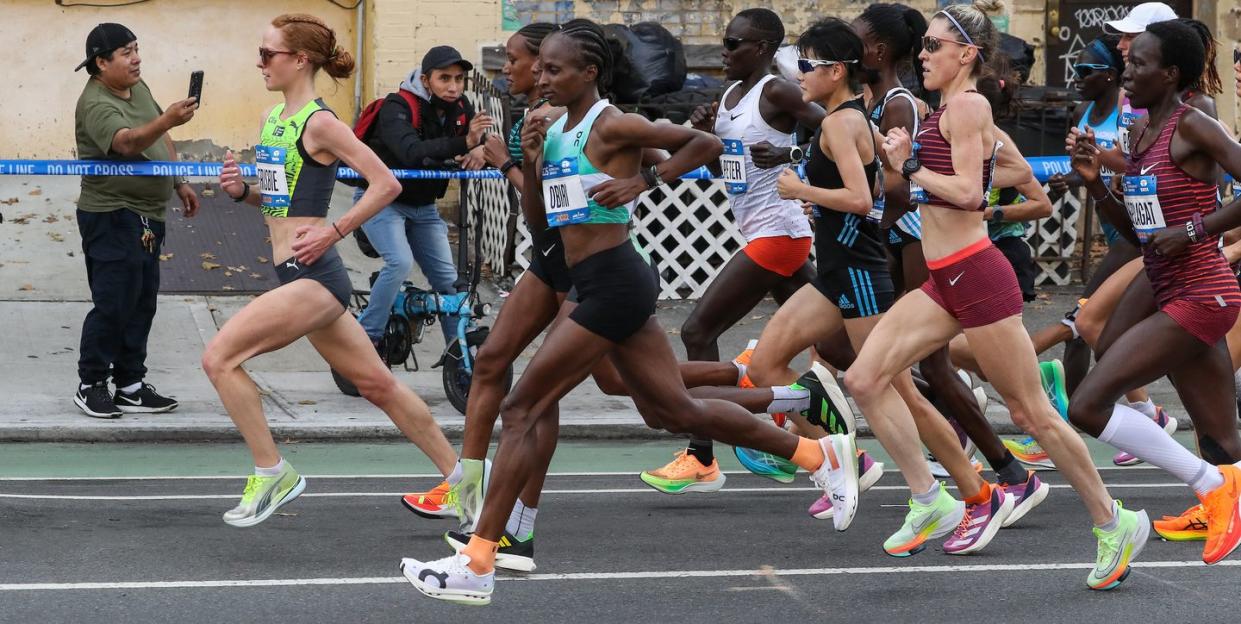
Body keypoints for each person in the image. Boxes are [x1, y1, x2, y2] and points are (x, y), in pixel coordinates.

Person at [400, 19, 859, 606]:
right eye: (539, 68)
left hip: (614, 286)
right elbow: (544, 225)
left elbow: (706, 145)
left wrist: (644, 179)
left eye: (554, 69)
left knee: (521, 408)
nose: (542, 77)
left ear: (589, 74)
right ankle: (817, 452)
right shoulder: (555, 127)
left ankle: (480, 557)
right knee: (671, 409)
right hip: (596, 282)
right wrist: (534, 162)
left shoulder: (612, 122)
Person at [853, 1, 1146, 589]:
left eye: (935, 46)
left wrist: (910, 169)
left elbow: (965, 191)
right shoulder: (952, 113)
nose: (923, 55)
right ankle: (929, 497)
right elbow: (1002, 171)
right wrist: (905, 167)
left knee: (1030, 412)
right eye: (923, 46)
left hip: (977, 275)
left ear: (967, 54)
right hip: (944, 280)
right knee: (864, 378)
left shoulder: (967, 103)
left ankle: (1115, 521)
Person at [206, 13, 458, 528]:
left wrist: (334, 231)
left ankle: (272, 471)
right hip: (293, 273)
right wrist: (243, 193)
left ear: (300, 60)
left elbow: (384, 182)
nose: (260, 63)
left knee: (219, 358)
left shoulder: (322, 123)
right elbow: (283, 205)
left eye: (268, 54)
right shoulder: (275, 120)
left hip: (316, 277)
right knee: (376, 384)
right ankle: (465, 480)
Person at [1067, 19, 1241, 566]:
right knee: (1225, 437)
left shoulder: (1194, 126)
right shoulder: (1140, 133)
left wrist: (1195, 230)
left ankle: (1212, 490)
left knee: (1087, 405)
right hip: (1168, 286)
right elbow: (1139, 232)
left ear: (1169, 74)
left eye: (1139, 63)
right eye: (1128, 61)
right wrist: (1095, 181)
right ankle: (1222, 491)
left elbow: (1185, 227)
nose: (1127, 70)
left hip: (1202, 293)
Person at [644, 8, 825, 492]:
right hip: (760, 232)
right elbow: (700, 154)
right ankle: (943, 405)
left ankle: (701, 454)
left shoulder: (776, 91)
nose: (724, 51)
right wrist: (699, 127)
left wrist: (792, 154)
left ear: (762, 48)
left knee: (698, 329)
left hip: (780, 234)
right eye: (726, 42)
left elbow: (837, 129)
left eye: (733, 42)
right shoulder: (728, 96)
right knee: (845, 346)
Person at [72, 23, 199, 419]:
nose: (136, 58)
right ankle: (91, 383)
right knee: (113, 302)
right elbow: (127, 142)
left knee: (142, 301)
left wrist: (179, 181)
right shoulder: (95, 102)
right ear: (101, 62)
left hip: (148, 214)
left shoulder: (138, 87)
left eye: (136, 49)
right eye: (126, 52)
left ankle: (129, 384)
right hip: (111, 213)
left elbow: (162, 136)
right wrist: (167, 122)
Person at [355, 46, 492, 350]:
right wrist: (465, 142)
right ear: (426, 80)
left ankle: (459, 353)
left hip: (424, 208)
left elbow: (479, 145)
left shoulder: (461, 109)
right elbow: (411, 153)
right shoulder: (398, 106)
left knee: (446, 280)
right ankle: (366, 340)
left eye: (459, 78)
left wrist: (480, 150)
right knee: (400, 263)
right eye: (445, 78)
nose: (454, 86)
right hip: (381, 201)